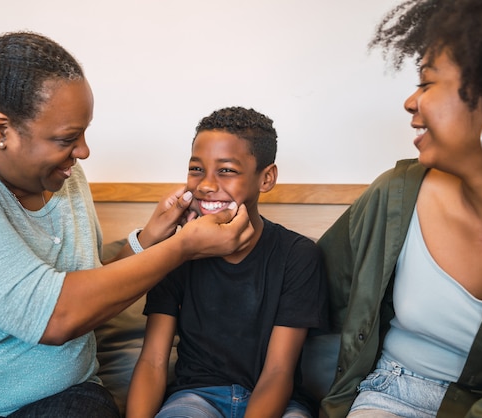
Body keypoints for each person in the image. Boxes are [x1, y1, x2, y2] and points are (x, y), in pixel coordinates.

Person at [0, 32, 255, 418]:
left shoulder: (65, 178)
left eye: (84, 133)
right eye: (67, 138)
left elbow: (86, 288)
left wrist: (149, 240)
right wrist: (183, 248)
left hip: (60, 401)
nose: (84, 151)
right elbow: (55, 315)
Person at [317, 0, 482, 417]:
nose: (409, 102)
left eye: (426, 83)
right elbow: (306, 288)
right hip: (388, 396)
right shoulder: (393, 197)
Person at [126, 106, 329, 418]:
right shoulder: (175, 252)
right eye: (196, 169)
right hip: (194, 399)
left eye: (227, 170)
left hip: (278, 403)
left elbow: (278, 372)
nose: (206, 185)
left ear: (267, 178)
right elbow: (153, 360)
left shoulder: (298, 255)